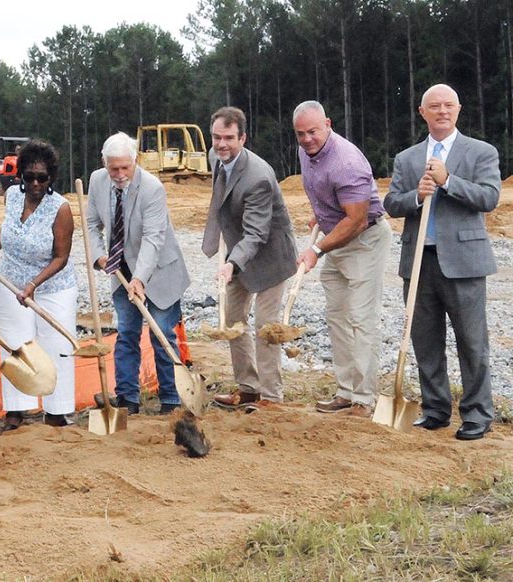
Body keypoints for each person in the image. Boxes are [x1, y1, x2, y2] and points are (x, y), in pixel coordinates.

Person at [383, 84, 500, 440]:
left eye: (449, 105)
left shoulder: (481, 152)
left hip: (464, 261)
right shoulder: (407, 158)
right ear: (423, 113)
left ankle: (477, 413)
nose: (442, 111)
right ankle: (435, 409)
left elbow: (489, 197)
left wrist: (449, 181)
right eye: (434, 106)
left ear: (459, 109)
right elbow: (391, 204)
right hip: (419, 262)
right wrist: (415, 197)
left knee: (472, 341)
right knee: (425, 341)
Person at [292, 101, 393, 418]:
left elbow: (358, 220)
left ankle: (364, 399)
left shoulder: (346, 162)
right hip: (337, 235)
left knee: (361, 320)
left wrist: (317, 249)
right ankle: (346, 392)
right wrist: (320, 214)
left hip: (364, 240)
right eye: (301, 134)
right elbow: (326, 194)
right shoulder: (305, 152)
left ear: (328, 124)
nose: (307, 139)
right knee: (337, 317)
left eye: (313, 131)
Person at [85, 132, 191, 414]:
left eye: (125, 168)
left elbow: (153, 238)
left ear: (135, 161)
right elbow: (92, 224)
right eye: (113, 168)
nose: (119, 174)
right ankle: (128, 399)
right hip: (120, 268)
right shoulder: (97, 181)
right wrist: (99, 255)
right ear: (105, 164)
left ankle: (170, 399)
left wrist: (139, 278)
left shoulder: (153, 188)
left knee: (162, 333)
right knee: (127, 332)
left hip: (159, 269)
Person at [204, 107, 297, 410]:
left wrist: (232, 263)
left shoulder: (258, 177)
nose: (222, 145)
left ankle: (271, 397)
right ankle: (248, 388)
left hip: (271, 255)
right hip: (238, 250)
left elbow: (257, 233)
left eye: (229, 138)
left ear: (243, 137)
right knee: (232, 319)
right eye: (217, 137)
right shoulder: (213, 157)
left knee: (266, 327)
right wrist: (228, 257)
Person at [0, 139, 76, 430]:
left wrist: (34, 284)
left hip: (52, 287)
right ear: (20, 175)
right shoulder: (11, 196)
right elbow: (9, 232)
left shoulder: (61, 209)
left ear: (51, 178)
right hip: (10, 283)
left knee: (55, 345)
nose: (35, 183)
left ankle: (57, 411)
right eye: (29, 176)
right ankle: (17, 409)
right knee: (15, 345)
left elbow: (61, 256)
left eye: (42, 177)